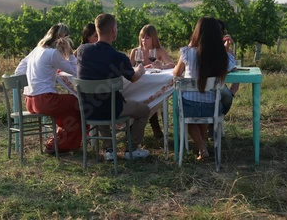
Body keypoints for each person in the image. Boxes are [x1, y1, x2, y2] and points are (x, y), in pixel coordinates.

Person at [76, 13, 151, 161]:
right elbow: (134, 78)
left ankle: (109, 149)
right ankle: (132, 149)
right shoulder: (119, 57)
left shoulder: (82, 51)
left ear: (97, 30)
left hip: (88, 108)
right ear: (113, 30)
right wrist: (140, 70)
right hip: (112, 108)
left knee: (100, 100)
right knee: (144, 110)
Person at [173, 17, 235, 160]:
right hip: (212, 107)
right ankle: (203, 146)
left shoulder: (188, 52)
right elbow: (231, 67)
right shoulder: (222, 56)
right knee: (203, 104)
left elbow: (176, 73)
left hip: (189, 106)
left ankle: (202, 147)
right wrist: (225, 49)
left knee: (186, 111)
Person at [14, 23, 82, 154]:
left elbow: (19, 70)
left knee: (71, 110)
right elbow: (76, 71)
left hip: (30, 101)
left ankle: (59, 141)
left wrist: (37, 78)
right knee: (81, 104)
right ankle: (60, 144)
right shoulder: (53, 53)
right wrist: (70, 54)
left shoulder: (36, 50)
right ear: (63, 39)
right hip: (45, 101)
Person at [129, 24, 175, 139]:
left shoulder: (158, 51)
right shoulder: (135, 52)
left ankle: (155, 127)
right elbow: (129, 69)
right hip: (138, 85)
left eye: (147, 38)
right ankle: (136, 128)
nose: (144, 40)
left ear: (153, 39)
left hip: (153, 85)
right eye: (142, 37)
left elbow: (172, 64)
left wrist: (162, 67)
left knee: (152, 96)